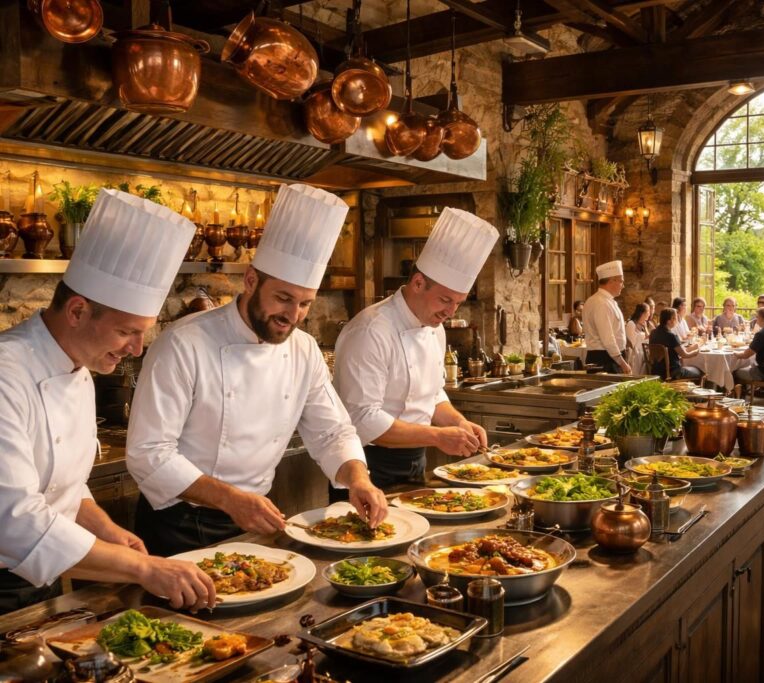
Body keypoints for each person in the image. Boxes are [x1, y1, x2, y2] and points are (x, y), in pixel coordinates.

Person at [128, 184, 387, 556]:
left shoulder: (303, 349)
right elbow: (149, 453)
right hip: (180, 524)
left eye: (304, 304)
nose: (292, 315)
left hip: (254, 516)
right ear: (251, 281)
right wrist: (230, 498)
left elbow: (332, 431)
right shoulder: (183, 343)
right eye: (283, 298)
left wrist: (357, 478)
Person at [0, 189, 216, 613]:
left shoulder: (78, 366)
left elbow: (64, 484)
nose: (137, 349)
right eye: (126, 332)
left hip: (37, 582)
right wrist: (143, 568)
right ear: (78, 311)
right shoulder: (7, 375)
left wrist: (105, 529)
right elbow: (15, 518)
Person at [334, 208, 498, 491]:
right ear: (418, 283)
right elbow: (363, 420)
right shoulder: (370, 331)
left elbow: (433, 395)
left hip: (414, 461)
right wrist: (437, 437)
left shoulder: (435, 328)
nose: (450, 311)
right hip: (366, 467)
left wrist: (459, 424)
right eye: (445, 299)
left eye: (457, 303)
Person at [582, 260, 631, 374]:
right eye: (621, 281)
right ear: (611, 281)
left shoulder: (606, 301)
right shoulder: (601, 303)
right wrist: (623, 363)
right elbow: (607, 339)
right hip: (605, 359)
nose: (623, 286)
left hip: (609, 357)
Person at [648, 309, 703, 380]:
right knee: (700, 371)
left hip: (656, 371)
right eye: (676, 318)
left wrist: (691, 348)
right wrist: (696, 352)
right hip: (673, 372)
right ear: (669, 321)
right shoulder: (671, 336)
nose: (677, 320)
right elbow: (684, 355)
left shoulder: (653, 333)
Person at [625, 303, 650, 376]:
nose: (649, 314)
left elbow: (647, 337)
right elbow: (631, 342)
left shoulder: (644, 324)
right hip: (634, 354)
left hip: (642, 353)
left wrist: (645, 328)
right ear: (643, 312)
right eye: (648, 311)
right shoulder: (631, 324)